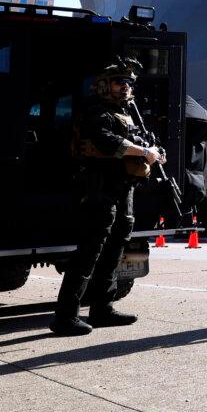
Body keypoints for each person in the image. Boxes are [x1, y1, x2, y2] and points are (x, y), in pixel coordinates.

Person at [50, 56, 166, 336]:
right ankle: (65, 316)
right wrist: (143, 153)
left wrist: (156, 153)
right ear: (103, 85)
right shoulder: (97, 113)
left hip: (123, 188)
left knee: (115, 249)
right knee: (90, 250)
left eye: (128, 82)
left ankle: (103, 308)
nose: (125, 86)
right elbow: (107, 142)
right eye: (118, 81)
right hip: (99, 188)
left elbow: (143, 145)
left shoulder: (126, 115)